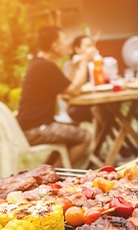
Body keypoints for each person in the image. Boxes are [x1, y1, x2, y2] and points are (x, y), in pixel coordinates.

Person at [17, 26, 94, 166]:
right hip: (37, 129)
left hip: (32, 125)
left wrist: (76, 67)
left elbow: (66, 87)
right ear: (55, 47)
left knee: (72, 131)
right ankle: (52, 178)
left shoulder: (41, 64)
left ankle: (47, 172)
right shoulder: (45, 67)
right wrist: (84, 63)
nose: (67, 44)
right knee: (85, 136)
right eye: (64, 40)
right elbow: (74, 90)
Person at [63, 34, 98, 123]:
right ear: (77, 49)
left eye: (93, 46)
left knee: (104, 109)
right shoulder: (70, 65)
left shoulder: (97, 64)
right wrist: (82, 63)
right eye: (88, 46)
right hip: (77, 106)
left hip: (98, 101)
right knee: (99, 110)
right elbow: (68, 88)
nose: (93, 49)